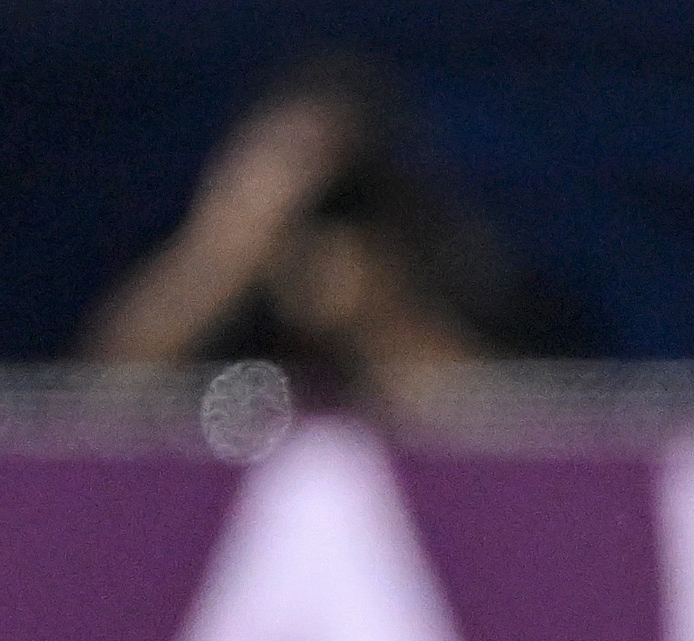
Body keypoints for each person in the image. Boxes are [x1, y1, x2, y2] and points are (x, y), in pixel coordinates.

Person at [81, 61, 541, 411]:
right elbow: (98, 401)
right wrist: (224, 253)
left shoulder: (441, 254)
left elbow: (513, 434)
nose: (307, 190)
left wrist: (373, 317)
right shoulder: (206, 256)